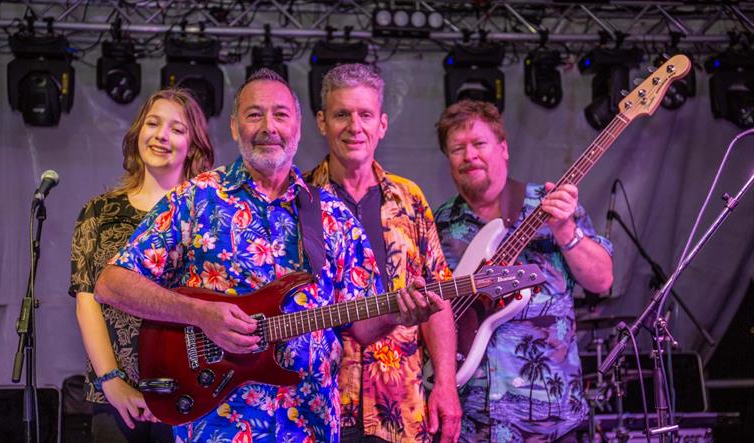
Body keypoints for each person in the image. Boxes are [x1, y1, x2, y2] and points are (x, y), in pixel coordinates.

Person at [93, 69, 445, 443]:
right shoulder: (198, 198)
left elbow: (360, 326)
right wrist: (200, 314)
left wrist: (396, 313)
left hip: (310, 425)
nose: (268, 127)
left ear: (298, 127)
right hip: (219, 424)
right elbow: (110, 284)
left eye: (280, 115)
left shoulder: (330, 213)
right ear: (234, 126)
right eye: (254, 114)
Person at [432, 100, 613, 442]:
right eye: (457, 148)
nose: (469, 156)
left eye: (479, 144)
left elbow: (602, 279)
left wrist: (566, 232)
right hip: (470, 426)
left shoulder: (550, 207)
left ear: (504, 149)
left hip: (549, 422)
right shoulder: (435, 225)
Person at [305, 63, 461, 443]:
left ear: (382, 125)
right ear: (322, 122)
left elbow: (439, 298)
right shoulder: (299, 199)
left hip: (401, 407)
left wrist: (445, 383)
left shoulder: (409, 199)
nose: (354, 126)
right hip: (317, 408)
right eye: (342, 114)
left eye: (365, 115)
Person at [69, 88, 215, 442]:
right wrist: (112, 382)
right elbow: (88, 299)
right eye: (153, 123)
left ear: (193, 146)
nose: (161, 135)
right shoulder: (99, 212)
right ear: (138, 133)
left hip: (191, 390)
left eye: (177, 129)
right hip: (117, 397)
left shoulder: (208, 214)